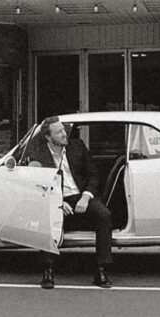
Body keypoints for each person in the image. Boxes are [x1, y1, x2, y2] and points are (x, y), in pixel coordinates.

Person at [23, 116, 113, 290]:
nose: (64, 134)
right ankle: (48, 269)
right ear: (49, 137)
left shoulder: (77, 146)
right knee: (46, 216)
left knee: (104, 215)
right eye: (59, 132)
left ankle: (101, 269)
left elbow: (94, 175)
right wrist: (57, 201)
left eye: (64, 130)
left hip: (81, 195)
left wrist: (85, 197)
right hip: (56, 198)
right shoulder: (37, 154)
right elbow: (37, 184)